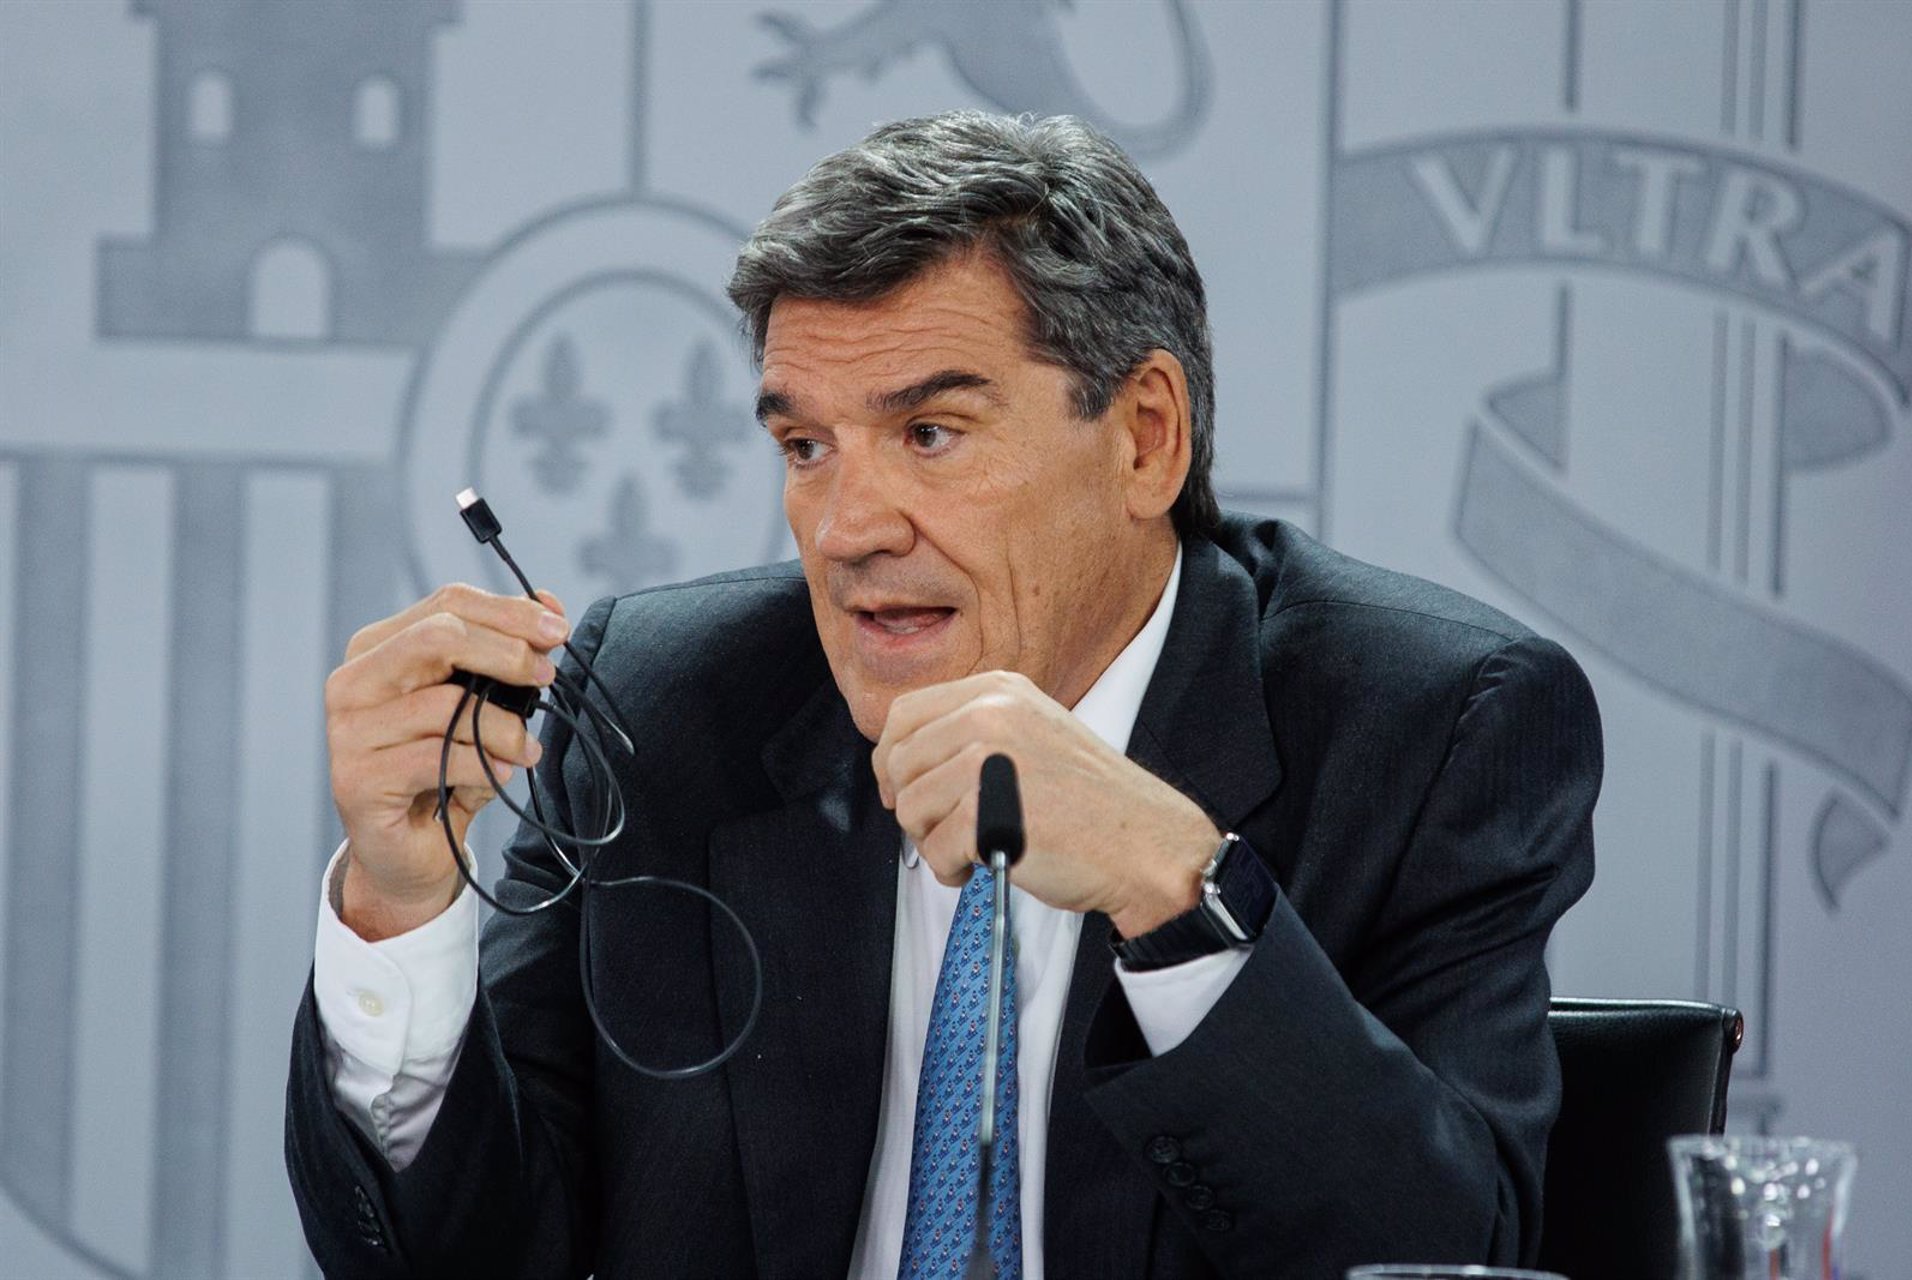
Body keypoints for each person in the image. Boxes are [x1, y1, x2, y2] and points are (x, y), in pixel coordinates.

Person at [286, 112, 1601, 1279]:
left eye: (929, 434)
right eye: (806, 445)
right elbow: (473, 1256)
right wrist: (401, 906)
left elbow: (1446, 1258)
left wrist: (1175, 890)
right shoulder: (663, 704)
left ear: (1145, 437)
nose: (847, 528)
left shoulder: (1430, 727)